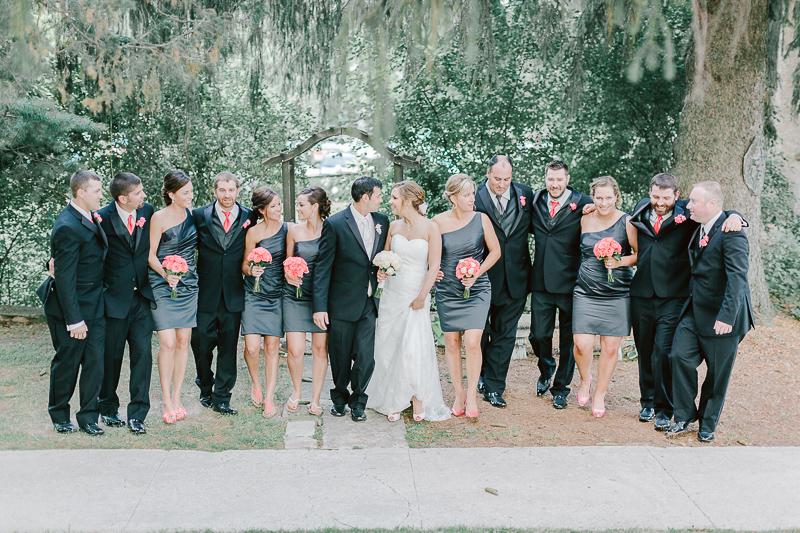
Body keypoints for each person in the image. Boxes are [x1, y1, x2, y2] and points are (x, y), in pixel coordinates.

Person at [630, 173, 745, 430]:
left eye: (665, 197)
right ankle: (647, 402)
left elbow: (718, 211)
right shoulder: (640, 208)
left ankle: (664, 408)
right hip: (642, 293)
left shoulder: (689, 212)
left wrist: (737, 216)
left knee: (663, 352)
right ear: (649, 193)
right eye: (655, 196)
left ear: (676, 196)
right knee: (644, 351)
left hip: (674, 295)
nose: (659, 202)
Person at [666, 181, 754, 443]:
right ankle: (683, 415)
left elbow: (738, 278)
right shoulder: (701, 221)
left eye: (694, 201)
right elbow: (675, 203)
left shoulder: (733, 233)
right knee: (678, 356)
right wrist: (736, 213)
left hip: (724, 316)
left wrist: (727, 316)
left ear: (712, 205)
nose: (688, 205)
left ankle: (707, 423)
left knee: (717, 375)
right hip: (694, 310)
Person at [367, 181, 450, 422]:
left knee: (414, 348)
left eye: (394, 197)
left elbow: (434, 265)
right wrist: (381, 273)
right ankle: (392, 397)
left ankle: (417, 398)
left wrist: (422, 296)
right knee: (389, 344)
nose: (390, 202)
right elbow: (384, 258)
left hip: (416, 293)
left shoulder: (431, 227)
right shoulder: (392, 226)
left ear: (409, 200)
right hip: (393, 294)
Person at [37, 170, 107, 435]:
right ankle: (59, 415)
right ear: (81, 193)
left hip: (96, 304)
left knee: (94, 362)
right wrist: (75, 320)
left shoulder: (90, 216)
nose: (101, 195)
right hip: (71, 308)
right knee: (67, 362)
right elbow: (64, 278)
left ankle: (89, 417)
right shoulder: (67, 225)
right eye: (97, 191)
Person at [313, 177, 389, 422]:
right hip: (341, 302)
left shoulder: (382, 222)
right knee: (340, 355)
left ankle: (358, 401)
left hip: (369, 301)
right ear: (365, 197)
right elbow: (323, 268)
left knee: (366, 357)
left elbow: (381, 257)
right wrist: (320, 308)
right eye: (378, 195)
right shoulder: (335, 223)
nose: (381, 199)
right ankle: (338, 398)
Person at [434, 174, 501, 419]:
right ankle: (458, 393)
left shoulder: (481, 219)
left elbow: (495, 252)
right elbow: (428, 254)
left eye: (473, 193)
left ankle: (472, 394)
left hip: (478, 289)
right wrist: (433, 270)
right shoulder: (437, 222)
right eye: (466, 195)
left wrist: (477, 271)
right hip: (448, 291)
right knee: (451, 344)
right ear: (453, 198)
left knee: (472, 342)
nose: (472, 198)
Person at [528, 160, 594, 409]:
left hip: (571, 283)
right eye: (550, 179)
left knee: (568, 340)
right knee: (539, 335)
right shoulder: (535, 201)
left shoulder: (584, 201)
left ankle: (561, 388)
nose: (554, 184)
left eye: (559, 179)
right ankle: (546, 368)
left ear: (567, 179)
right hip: (541, 282)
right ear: (545, 179)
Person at [572, 176, 638, 418]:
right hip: (586, 291)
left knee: (610, 348)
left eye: (608, 197)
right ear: (593, 197)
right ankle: (584, 378)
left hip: (617, 292)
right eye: (598, 197)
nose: (603, 202)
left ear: (616, 197)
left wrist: (619, 260)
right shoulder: (584, 219)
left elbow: (638, 255)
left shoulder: (627, 221)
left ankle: (599, 394)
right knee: (582, 344)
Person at [94, 173, 154, 435]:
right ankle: (107, 408)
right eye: (139, 192)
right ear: (123, 198)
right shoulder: (101, 217)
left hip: (141, 298)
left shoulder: (148, 212)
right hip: (113, 300)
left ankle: (137, 414)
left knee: (143, 356)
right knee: (112, 357)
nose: (144, 196)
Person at [472, 156, 533, 409]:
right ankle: (482, 375)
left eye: (507, 179)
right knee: (481, 332)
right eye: (497, 179)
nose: (502, 184)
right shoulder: (472, 195)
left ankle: (495, 387)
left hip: (516, 277)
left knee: (504, 334)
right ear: (488, 173)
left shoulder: (525, 194)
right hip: (482, 276)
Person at [191, 172, 252, 415]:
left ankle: (223, 397)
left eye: (231, 190)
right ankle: (205, 385)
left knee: (228, 347)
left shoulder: (250, 216)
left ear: (238, 191)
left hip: (234, 292)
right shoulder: (198, 215)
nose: (227, 195)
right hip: (205, 291)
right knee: (201, 344)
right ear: (214, 191)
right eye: (222, 190)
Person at [148, 170, 198, 424]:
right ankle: (165, 399)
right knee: (167, 342)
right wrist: (167, 274)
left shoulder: (192, 215)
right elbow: (150, 255)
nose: (191, 196)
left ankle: (177, 396)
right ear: (171, 195)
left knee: (182, 342)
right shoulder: (158, 217)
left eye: (191, 191)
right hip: (161, 283)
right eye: (186, 193)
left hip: (188, 285)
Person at [241, 187, 289, 418]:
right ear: (261, 210)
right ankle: (256, 383)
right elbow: (243, 265)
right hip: (253, 293)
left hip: (277, 293)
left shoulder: (288, 229)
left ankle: (269, 397)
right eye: (273, 206)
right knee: (251, 347)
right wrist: (252, 271)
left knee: (272, 347)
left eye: (279, 204)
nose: (278, 209)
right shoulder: (253, 232)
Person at [283, 187, 330, 416]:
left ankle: (316, 399)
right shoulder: (293, 230)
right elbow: (287, 261)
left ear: (315, 207)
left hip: (321, 299)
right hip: (295, 297)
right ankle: (297, 391)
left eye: (302, 204)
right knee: (295, 350)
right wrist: (289, 275)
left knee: (320, 349)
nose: (298, 208)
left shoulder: (331, 231)